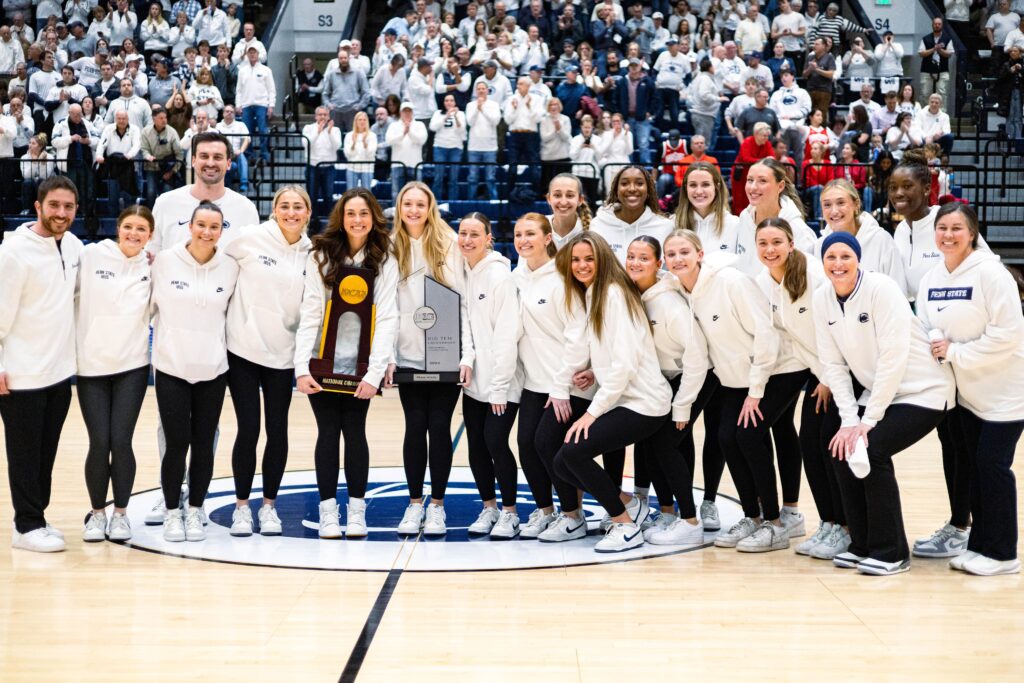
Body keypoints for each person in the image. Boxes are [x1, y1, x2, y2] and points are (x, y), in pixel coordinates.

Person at [815, 231, 953, 575]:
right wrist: (849, 421)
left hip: (924, 390)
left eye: (845, 256)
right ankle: (861, 543)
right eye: (831, 257)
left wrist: (868, 421)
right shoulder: (822, 298)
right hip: (879, 393)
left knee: (872, 450)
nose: (838, 264)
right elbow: (832, 364)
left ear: (859, 259)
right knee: (841, 447)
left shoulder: (882, 289)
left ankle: (892, 551)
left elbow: (894, 358)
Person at [667, 228, 796, 551]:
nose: (678, 259)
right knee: (727, 438)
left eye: (685, 251)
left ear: (700, 254)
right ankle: (752, 517)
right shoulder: (680, 291)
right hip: (735, 378)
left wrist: (756, 391)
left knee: (749, 435)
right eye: (671, 254)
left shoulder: (731, 282)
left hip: (779, 369)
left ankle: (776, 523)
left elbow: (766, 335)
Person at [541, 232, 670, 553]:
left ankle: (625, 525)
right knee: (561, 462)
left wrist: (591, 413)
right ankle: (627, 503)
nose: (582, 265)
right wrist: (594, 371)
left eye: (589, 259)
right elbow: (615, 353)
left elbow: (626, 364)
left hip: (645, 402)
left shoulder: (613, 294)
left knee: (572, 453)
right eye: (576, 259)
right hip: (626, 397)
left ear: (602, 260)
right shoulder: (594, 293)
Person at [917, 203, 1024, 576]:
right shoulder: (932, 276)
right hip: (966, 394)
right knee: (975, 469)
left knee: (993, 467)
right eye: (942, 228)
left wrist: (956, 352)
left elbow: (1009, 335)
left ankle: (1004, 553)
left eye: (957, 228)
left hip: (1005, 392)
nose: (948, 235)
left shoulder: (992, 275)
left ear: (973, 233)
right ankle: (981, 546)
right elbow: (924, 319)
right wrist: (934, 339)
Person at [293, 188, 398, 538]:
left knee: (355, 433)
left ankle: (356, 512)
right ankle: (327, 512)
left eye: (364, 214)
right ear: (341, 216)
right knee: (327, 433)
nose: (357, 220)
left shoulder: (384, 257)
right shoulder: (321, 254)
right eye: (351, 213)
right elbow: (310, 311)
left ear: (374, 219)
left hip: (361, 367)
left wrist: (374, 372)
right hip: (322, 363)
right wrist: (302, 366)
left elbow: (387, 317)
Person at [753, 217, 850, 558]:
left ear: (791, 244)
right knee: (811, 445)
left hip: (840, 371)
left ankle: (846, 526)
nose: (770, 249)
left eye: (777, 242)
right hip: (813, 370)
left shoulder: (813, 274)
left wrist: (827, 377)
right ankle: (829, 523)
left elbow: (834, 327)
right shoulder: (764, 282)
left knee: (830, 449)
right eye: (763, 243)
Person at [384, 182, 474, 536]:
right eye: (408, 204)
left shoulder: (449, 245)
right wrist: (388, 356)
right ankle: (414, 503)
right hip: (407, 355)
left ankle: (437, 506)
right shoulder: (391, 248)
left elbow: (462, 302)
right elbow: (386, 306)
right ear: (400, 207)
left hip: (444, 354)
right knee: (413, 427)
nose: (414, 210)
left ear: (430, 207)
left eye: (421, 204)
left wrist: (467, 354)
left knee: (439, 428)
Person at [221, 187, 312, 537]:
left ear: (306, 213)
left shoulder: (311, 252)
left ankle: (269, 506)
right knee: (248, 428)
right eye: (284, 206)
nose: (291, 212)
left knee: (278, 430)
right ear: (274, 210)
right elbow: (211, 259)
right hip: (242, 349)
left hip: (283, 355)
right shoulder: (248, 238)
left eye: (298, 207)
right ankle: (242, 507)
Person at [0, 176, 82, 552]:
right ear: (38, 206)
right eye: (54, 206)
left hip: (59, 372)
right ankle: (25, 524)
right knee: (24, 452)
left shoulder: (76, 247)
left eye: (68, 207)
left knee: (45, 452)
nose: (61, 213)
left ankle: (36, 517)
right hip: (21, 373)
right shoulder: (14, 251)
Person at [151, 201, 239, 542]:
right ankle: (174, 511)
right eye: (201, 225)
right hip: (172, 367)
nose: (207, 232)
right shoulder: (163, 262)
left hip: (213, 369)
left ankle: (197, 508)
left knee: (204, 444)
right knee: (175, 444)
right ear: (190, 225)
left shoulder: (229, 267)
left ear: (221, 231)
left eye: (214, 227)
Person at [626, 235, 714, 546]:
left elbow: (697, 358)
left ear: (658, 264)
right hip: (662, 378)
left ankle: (689, 520)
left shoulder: (669, 303)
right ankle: (667, 513)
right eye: (631, 256)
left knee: (666, 443)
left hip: (693, 376)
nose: (636, 263)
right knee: (652, 442)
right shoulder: (634, 294)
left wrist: (683, 405)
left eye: (644, 258)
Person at [77, 206, 154, 543]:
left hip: (132, 367)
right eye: (128, 227)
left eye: (141, 229)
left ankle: (121, 514)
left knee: (121, 441)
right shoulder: (92, 255)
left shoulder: (153, 268)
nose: (133, 234)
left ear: (150, 235)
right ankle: (97, 514)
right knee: (99, 441)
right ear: (117, 228)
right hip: (91, 365)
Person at [512, 213, 591, 539]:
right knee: (526, 446)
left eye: (530, 233)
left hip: (566, 383)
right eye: (518, 234)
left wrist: (561, 386)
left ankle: (573, 516)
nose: (523, 240)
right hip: (533, 381)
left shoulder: (562, 278)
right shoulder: (515, 278)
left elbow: (579, 334)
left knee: (548, 445)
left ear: (547, 238)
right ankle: (546, 511)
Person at [456, 213, 523, 538]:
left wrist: (499, 387)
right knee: (476, 447)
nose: (467, 240)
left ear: (488, 238)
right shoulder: (463, 271)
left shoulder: (499, 275)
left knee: (496, 442)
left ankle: (510, 512)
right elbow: (466, 322)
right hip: (474, 382)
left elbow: (507, 335)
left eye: (474, 235)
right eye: (463, 233)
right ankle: (489, 507)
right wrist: (467, 358)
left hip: (503, 382)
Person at [150, 131, 259, 253]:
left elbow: (251, 261)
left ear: (228, 163)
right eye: (204, 156)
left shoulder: (246, 209)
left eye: (217, 157)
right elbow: (152, 255)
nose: (210, 163)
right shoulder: (165, 203)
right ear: (193, 161)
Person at [815, 178, 906, 293]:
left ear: (856, 204)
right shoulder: (819, 245)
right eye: (827, 205)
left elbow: (898, 290)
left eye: (841, 203)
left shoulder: (881, 240)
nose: (834, 211)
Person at [735, 157, 816, 275]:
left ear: (780, 186)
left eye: (762, 181)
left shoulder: (797, 228)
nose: (753, 187)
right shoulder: (744, 218)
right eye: (750, 180)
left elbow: (808, 276)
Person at [590, 165, 673, 263]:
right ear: (616, 191)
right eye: (624, 183)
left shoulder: (666, 227)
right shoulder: (598, 225)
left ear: (648, 191)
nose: (632, 189)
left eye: (639, 183)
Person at [236, 45, 275, 163]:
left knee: (263, 130)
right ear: (247, 55)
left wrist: (271, 105)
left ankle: (264, 153)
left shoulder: (266, 70)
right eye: (250, 53)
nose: (252, 55)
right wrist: (238, 104)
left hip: (262, 104)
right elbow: (239, 90)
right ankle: (249, 154)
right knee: (247, 132)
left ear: (258, 54)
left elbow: (271, 90)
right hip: (246, 105)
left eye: (254, 53)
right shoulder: (242, 71)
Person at [302, 106, 342, 219]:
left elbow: (337, 146)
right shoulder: (308, 128)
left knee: (328, 196)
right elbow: (306, 144)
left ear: (329, 116)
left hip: (329, 167)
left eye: (325, 114)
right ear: (315, 116)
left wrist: (329, 132)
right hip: (312, 167)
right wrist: (317, 132)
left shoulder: (335, 130)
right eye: (320, 114)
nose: (323, 117)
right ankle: (312, 221)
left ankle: (329, 221)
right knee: (311, 196)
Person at [465, 80, 501, 201]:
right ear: (476, 91)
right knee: (472, 178)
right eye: (478, 89)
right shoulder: (470, 105)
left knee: (490, 178)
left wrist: (482, 109)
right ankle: (470, 203)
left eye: (483, 89)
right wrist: (477, 108)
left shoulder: (494, 105)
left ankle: (494, 202)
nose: (481, 91)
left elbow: (495, 121)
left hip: (490, 147)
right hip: (474, 147)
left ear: (487, 90)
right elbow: (470, 122)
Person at [385, 102, 428, 201]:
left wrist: (409, 131)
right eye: (405, 111)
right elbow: (389, 140)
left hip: (415, 164)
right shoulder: (394, 125)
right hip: (397, 165)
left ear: (413, 112)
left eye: (409, 111)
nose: (407, 113)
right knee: (397, 193)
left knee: (418, 194)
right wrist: (403, 133)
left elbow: (422, 140)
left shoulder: (419, 125)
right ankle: (396, 215)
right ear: (400, 112)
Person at [731, 121, 774, 215]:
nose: (766, 138)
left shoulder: (767, 144)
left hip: (757, 176)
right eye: (764, 135)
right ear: (756, 134)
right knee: (740, 198)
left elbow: (772, 157)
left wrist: (766, 159)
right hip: (741, 174)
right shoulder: (747, 142)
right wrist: (764, 159)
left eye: (767, 136)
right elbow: (746, 159)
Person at [428, 94, 466, 200]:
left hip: (456, 148)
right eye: (447, 100)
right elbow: (432, 127)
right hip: (440, 147)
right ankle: (436, 204)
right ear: (444, 102)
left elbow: (462, 130)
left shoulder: (461, 114)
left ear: (455, 102)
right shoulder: (437, 113)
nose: (449, 102)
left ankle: (453, 204)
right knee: (438, 178)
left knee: (454, 178)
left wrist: (455, 116)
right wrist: (446, 116)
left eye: (451, 100)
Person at [545, 172, 592, 249]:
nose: (563, 202)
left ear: (580, 200)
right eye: (557, 195)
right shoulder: (538, 227)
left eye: (570, 195)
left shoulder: (592, 229)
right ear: (549, 199)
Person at [918, 16, 953, 109]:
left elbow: (949, 54)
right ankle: (924, 114)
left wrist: (940, 50)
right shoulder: (925, 39)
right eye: (935, 24)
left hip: (943, 70)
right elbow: (921, 53)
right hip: (926, 69)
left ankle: (942, 114)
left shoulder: (947, 38)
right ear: (932, 25)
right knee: (925, 93)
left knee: (942, 93)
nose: (937, 26)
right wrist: (934, 49)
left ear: (942, 25)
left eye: (939, 24)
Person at [343, 110, 377, 191]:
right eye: (360, 120)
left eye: (364, 120)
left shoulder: (372, 135)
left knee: (366, 193)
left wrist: (365, 143)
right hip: (352, 168)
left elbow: (371, 154)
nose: (362, 122)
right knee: (351, 192)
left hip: (367, 168)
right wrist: (353, 144)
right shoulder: (349, 135)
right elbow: (348, 155)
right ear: (356, 121)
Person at [803, 37, 835, 120]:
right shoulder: (810, 57)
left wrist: (817, 69)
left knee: (821, 115)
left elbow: (831, 74)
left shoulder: (829, 57)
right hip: (810, 90)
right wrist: (810, 68)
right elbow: (804, 75)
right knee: (810, 114)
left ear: (824, 46)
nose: (814, 46)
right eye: (814, 44)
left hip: (824, 91)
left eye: (817, 44)